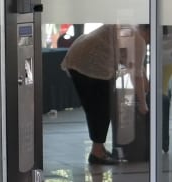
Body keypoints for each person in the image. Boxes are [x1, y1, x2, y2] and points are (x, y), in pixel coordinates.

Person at [60, 24, 146, 165]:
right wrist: (143, 104)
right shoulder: (139, 40)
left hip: (76, 55)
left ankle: (99, 149)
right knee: (101, 109)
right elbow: (137, 76)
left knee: (95, 108)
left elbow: (132, 68)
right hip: (92, 62)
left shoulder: (129, 29)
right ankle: (97, 153)